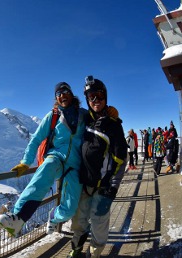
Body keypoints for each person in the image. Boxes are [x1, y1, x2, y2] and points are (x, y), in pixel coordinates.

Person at [0, 81, 87, 237]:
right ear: (56, 98)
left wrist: (111, 112)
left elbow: (99, 119)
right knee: (47, 168)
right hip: (56, 157)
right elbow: (36, 139)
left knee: (69, 209)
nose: (62, 95)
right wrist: (26, 162)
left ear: (71, 94)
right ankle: (17, 217)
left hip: (75, 165)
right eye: (58, 94)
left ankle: (54, 217)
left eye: (65, 92)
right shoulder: (53, 116)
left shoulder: (84, 115)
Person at [68, 76, 127, 258]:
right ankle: (76, 251)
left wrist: (113, 187)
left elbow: (121, 159)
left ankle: (94, 254)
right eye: (91, 96)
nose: (96, 101)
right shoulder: (85, 119)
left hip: (103, 186)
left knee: (99, 223)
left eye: (99, 96)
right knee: (79, 221)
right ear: (87, 99)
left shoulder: (113, 125)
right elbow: (67, 114)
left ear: (105, 97)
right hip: (84, 183)